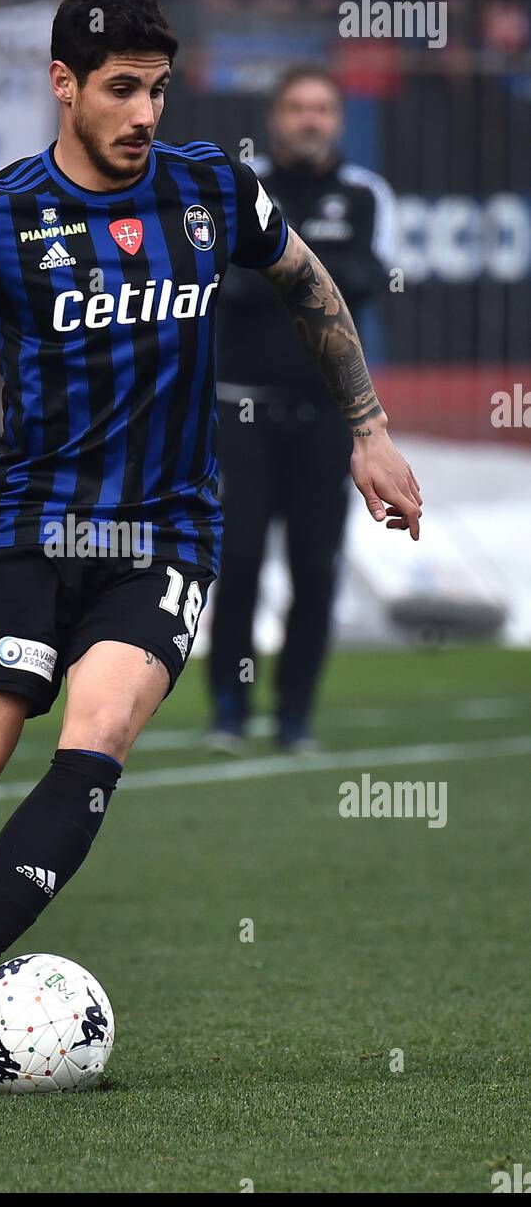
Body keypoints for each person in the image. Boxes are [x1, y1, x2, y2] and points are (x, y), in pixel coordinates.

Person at [0, 0, 421, 1093]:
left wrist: (366, 429)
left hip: (166, 534)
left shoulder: (210, 190)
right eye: (122, 90)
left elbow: (307, 281)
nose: (145, 114)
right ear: (62, 85)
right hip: (31, 534)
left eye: (159, 90)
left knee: (95, 735)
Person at [207, 65, 398, 752]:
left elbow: (372, 282)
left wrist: (281, 271)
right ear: (275, 116)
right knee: (241, 560)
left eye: (322, 108)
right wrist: (318, 273)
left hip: (327, 415)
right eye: (297, 108)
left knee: (317, 568)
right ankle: (229, 708)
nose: (309, 120)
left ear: (339, 119)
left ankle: (295, 716)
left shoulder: (364, 194)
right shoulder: (240, 192)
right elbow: (224, 288)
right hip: (241, 408)